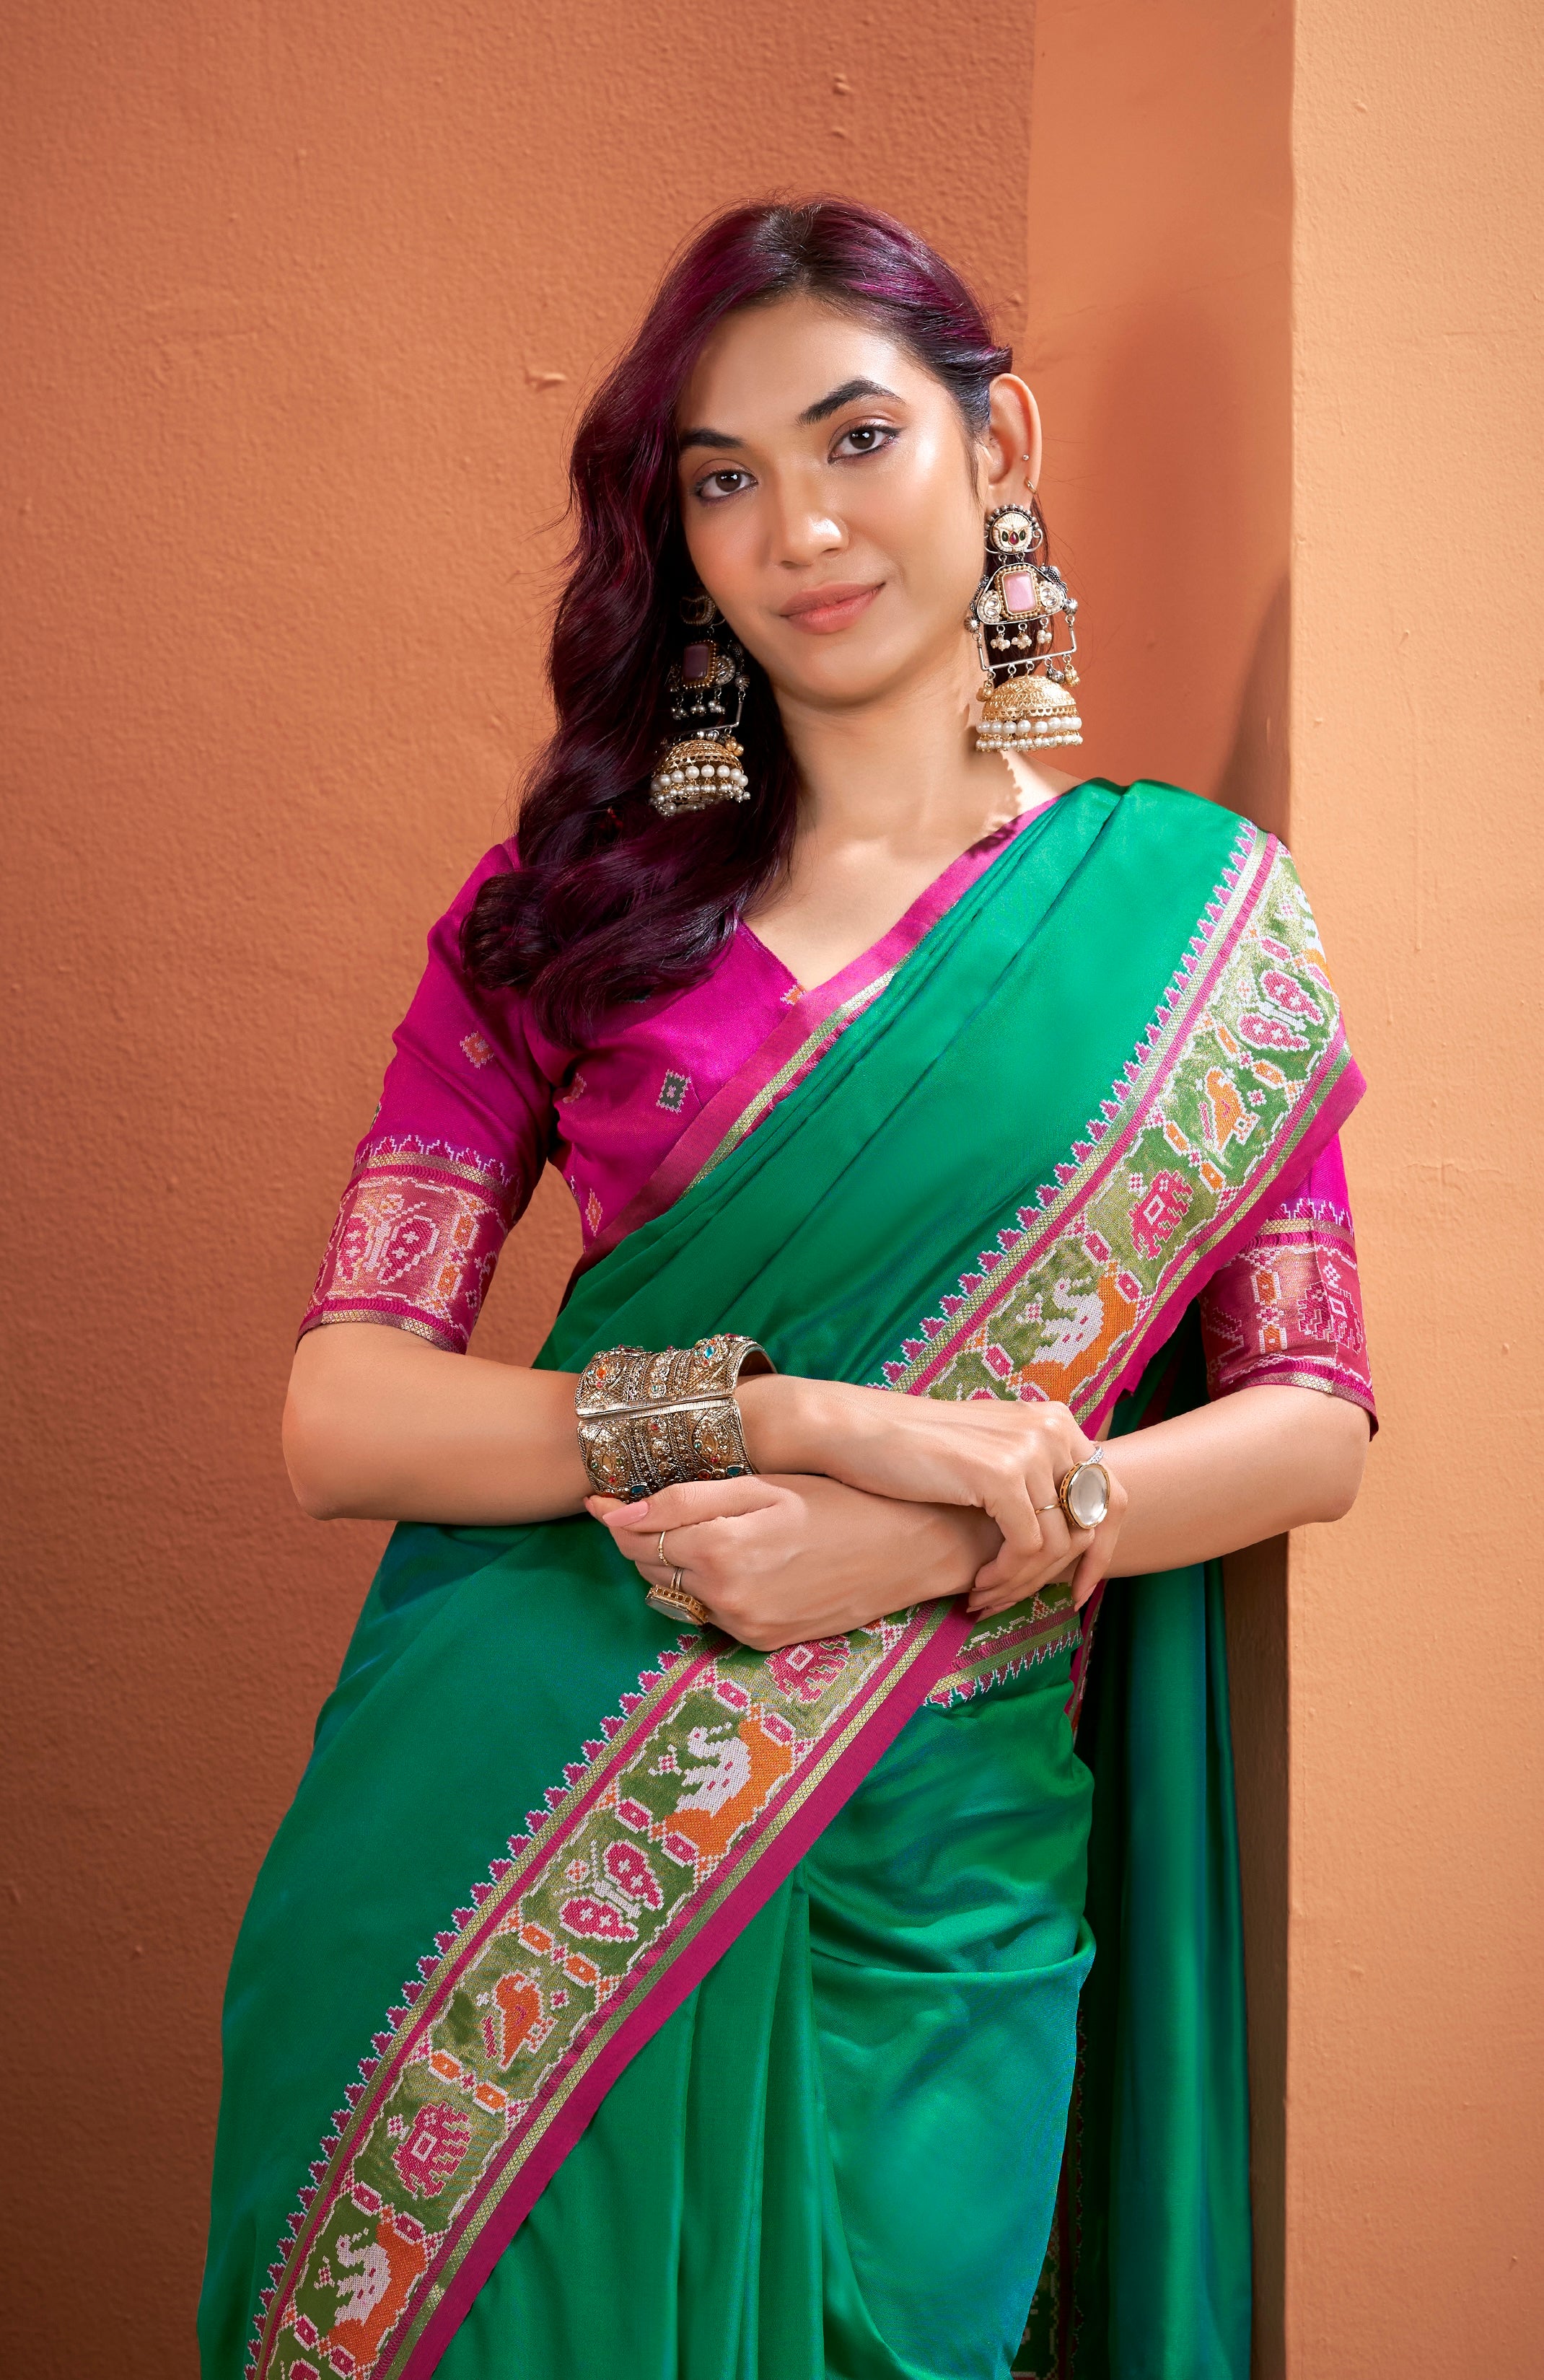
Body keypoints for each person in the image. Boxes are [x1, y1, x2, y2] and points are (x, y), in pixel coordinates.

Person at [201, 201, 1374, 2380]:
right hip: (495, 1846)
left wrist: (949, 1524)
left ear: (991, 438)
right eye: (720, 479)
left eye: (852, 441)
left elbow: (1310, 1418)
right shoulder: (558, 915)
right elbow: (342, 1413)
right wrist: (788, 1415)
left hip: (943, 1857)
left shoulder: (1199, 925)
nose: (795, 531)